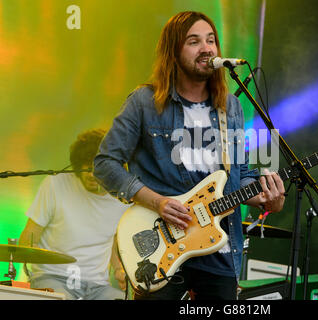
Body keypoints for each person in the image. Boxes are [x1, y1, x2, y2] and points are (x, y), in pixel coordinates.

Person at [93, 11, 286, 300]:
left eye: (211, 41)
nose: (207, 48)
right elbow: (104, 164)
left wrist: (264, 197)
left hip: (218, 249)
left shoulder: (230, 107)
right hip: (163, 246)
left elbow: (240, 173)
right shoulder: (144, 102)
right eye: (194, 41)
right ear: (173, 52)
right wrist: (156, 202)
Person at [19, 129, 130, 300]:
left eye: (98, 169)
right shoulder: (55, 185)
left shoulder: (121, 200)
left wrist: (119, 270)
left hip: (97, 286)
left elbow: (113, 243)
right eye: (87, 168)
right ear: (78, 165)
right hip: (53, 278)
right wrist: (23, 260)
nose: (92, 175)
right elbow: (30, 234)